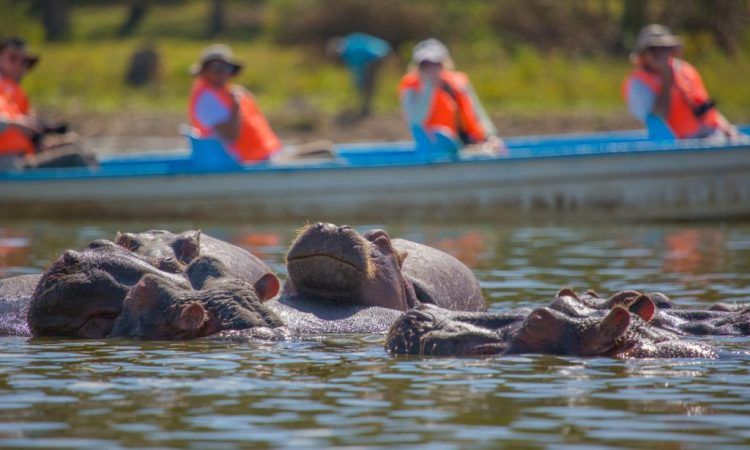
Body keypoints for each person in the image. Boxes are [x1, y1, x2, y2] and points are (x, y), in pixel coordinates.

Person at [622, 24, 739, 140]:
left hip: (712, 135)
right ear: (643, 54)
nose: (660, 53)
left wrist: (728, 129)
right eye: (653, 49)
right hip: (679, 146)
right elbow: (658, 117)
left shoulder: (686, 70)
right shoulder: (637, 84)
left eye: (664, 48)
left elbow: (706, 108)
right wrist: (666, 77)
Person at [0, 37, 92, 170]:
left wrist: (42, 142)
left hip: (23, 159)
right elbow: (13, 125)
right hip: (8, 165)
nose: (19, 66)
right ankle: (99, 189)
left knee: (75, 143)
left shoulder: (13, 95)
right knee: (74, 157)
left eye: (24, 62)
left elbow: (26, 132)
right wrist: (16, 123)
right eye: (12, 59)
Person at [399, 38, 503, 152]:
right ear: (417, 67)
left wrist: (491, 136)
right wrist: (428, 87)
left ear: (444, 64)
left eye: (435, 64)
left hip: (467, 144)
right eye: (425, 64)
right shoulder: (411, 88)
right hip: (434, 148)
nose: (431, 69)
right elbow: (416, 120)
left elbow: (477, 112)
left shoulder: (458, 83)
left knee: (491, 149)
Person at [188, 44, 282, 163]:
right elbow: (229, 135)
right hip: (239, 163)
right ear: (204, 71)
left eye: (226, 67)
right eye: (216, 67)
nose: (221, 72)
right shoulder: (207, 100)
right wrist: (236, 106)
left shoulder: (229, 92)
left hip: (261, 158)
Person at [327, 33, 391, 121]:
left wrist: (358, 82)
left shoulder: (350, 51)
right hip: (378, 54)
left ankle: (366, 108)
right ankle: (365, 107)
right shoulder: (350, 43)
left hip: (374, 58)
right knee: (367, 84)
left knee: (368, 84)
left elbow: (357, 69)